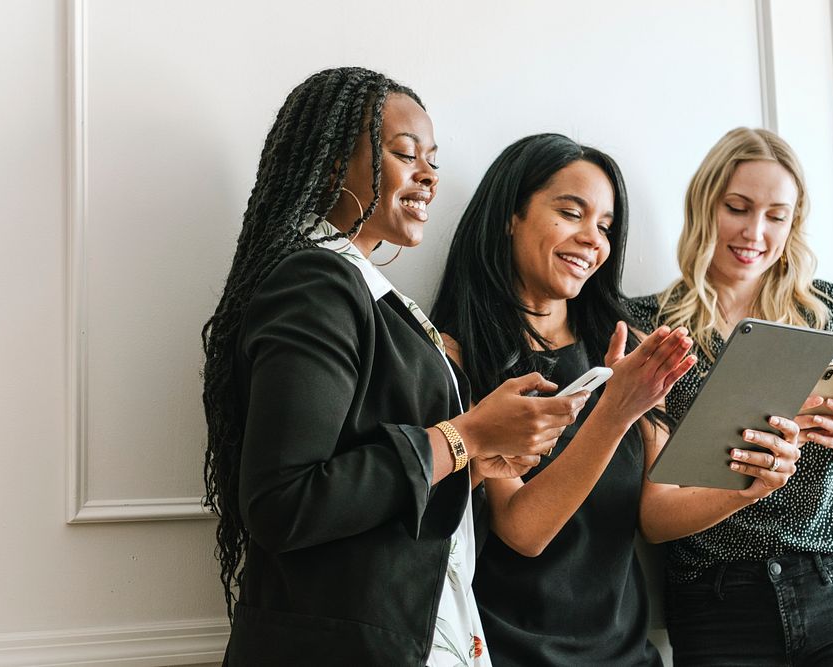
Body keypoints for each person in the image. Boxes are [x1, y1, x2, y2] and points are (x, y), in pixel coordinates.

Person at [201, 68, 584, 667]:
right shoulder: (316, 282)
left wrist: (475, 461)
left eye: (432, 158)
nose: (429, 175)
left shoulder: (369, 291)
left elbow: (376, 479)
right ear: (333, 163)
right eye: (406, 154)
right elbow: (286, 500)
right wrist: (469, 434)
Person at [431, 133, 803, 666]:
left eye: (605, 227)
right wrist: (615, 409)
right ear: (510, 214)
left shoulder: (623, 337)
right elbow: (522, 529)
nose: (592, 239)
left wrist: (747, 489)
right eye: (570, 212)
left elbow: (655, 509)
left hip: (628, 654)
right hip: (513, 651)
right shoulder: (455, 355)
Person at [627, 127, 833, 665]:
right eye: (738, 207)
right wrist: (747, 488)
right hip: (719, 601)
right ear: (706, 205)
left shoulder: (827, 311)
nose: (755, 232)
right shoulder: (646, 327)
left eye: (777, 215)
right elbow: (653, 519)